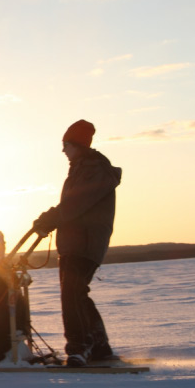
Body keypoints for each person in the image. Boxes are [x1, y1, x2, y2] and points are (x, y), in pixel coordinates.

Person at [32, 120, 122, 367]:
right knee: (77, 294)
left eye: (65, 144)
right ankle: (99, 347)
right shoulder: (83, 168)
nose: (63, 150)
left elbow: (76, 203)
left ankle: (79, 348)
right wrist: (50, 218)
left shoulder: (93, 169)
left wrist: (51, 217)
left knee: (71, 295)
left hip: (84, 242)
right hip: (78, 242)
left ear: (77, 145)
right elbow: (74, 204)